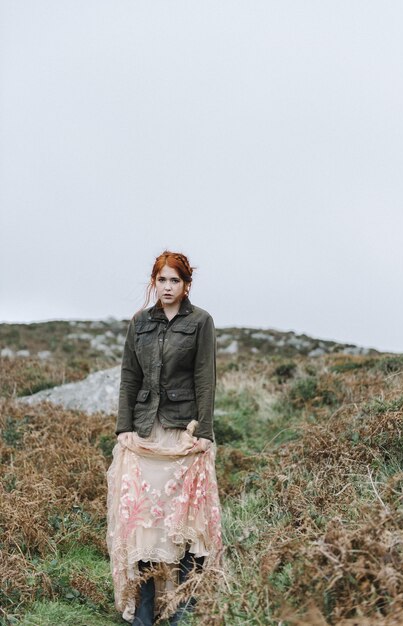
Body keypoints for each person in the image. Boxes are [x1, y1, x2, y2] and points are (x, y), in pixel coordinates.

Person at [106, 251, 222, 626]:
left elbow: (206, 377)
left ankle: (181, 612)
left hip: (183, 434)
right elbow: (129, 377)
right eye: (162, 280)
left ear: (187, 285)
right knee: (145, 524)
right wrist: (124, 427)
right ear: (153, 283)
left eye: (175, 280)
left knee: (185, 521)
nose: (168, 287)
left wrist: (203, 432)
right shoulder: (139, 323)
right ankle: (144, 612)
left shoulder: (201, 321)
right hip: (144, 434)